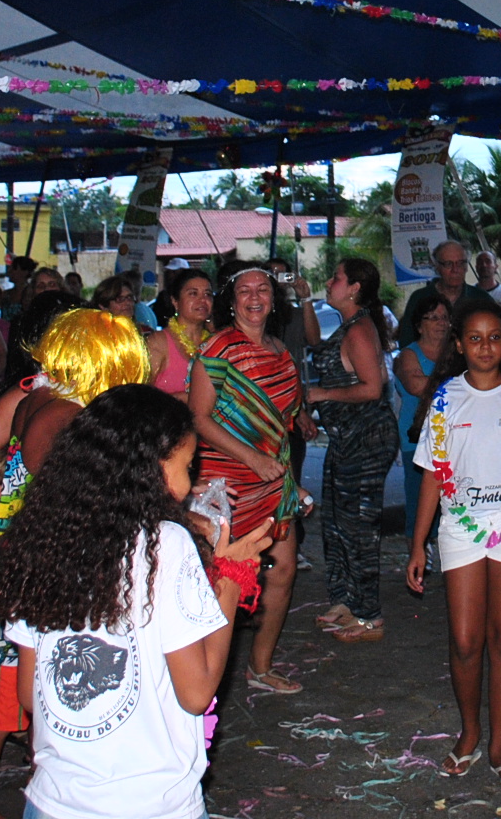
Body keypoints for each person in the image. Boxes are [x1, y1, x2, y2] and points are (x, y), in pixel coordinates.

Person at [0, 385, 273, 819]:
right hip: (149, 803)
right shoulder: (166, 544)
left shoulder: (42, 539)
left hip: (54, 801)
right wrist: (232, 581)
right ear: (151, 469)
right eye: (187, 465)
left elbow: (31, 695)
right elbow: (197, 693)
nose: (188, 482)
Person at [0, 308, 147, 819]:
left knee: (22, 694)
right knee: (37, 696)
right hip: (45, 569)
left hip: (15, 555)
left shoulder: (30, 395)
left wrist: (11, 500)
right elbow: (73, 503)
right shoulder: (64, 415)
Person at [405, 299, 501, 782]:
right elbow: (431, 476)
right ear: (460, 345)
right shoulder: (445, 399)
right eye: (474, 338)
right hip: (461, 527)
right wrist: (417, 544)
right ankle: (469, 733)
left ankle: (500, 744)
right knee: (466, 641)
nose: (485, 346)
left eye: (494, 337)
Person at [188, 267, 303, 693]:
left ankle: (260, 666)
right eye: (244, 291)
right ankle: (199, 677)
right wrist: (252, 458)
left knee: (283, 571)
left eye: (263, 290)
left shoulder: (281, 350)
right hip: (227, 487)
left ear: (274, 299)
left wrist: (289, 477)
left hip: (274, 484)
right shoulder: (217, 348)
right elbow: (198, 418)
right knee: (218, 581)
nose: (254, 298)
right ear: (231, 301)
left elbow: (283, 425)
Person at [303, 258, 396, 643]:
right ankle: (346, 598)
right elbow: (313, 343)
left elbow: (373, 388)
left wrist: (321, 393)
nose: (329, 282)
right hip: (345, 436)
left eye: (336, 278)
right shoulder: (348, 326)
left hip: (367, 437)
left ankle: (369, 616)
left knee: (359, 526)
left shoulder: (359, 329)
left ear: (355, 287)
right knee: (336, 522)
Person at [392, 288, 452, 542]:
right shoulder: (408, 355)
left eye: (444, 317)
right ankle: (418, 554)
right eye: (434, 318)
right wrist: (458, 382)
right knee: (419, 502)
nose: (441, 323)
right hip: (417, 440)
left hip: (454, 437)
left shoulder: (457, 352)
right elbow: (415, 386)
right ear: (419, 325)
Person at [145, 268, 213, 396]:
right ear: (175, 301)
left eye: (208, 294)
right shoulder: (158, 343)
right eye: (193, 294)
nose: (202, 300)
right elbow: (140, 397)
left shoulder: (216, 343)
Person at [394, 240, 474, 346]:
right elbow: (406, 342)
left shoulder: (481, 299)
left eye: (460, 263)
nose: (455, 269)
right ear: (437, 267)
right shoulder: (419, 298)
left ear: (466, 266)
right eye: (448, 264)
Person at [473, 250, 501, 326]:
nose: (484, 265)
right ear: (476, 267)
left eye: (488, 261)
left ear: (496, 266)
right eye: (480, 262)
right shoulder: (469, 292)